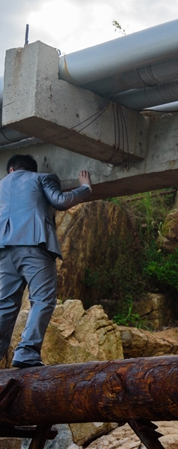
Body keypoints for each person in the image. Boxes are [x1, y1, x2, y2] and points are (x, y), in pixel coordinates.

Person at [0, 155, 92, 368]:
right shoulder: (41, 178)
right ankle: (26, 351)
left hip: (3, 251)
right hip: (33, 245)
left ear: (11, 170)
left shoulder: (2, 185)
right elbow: (60, 201)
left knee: (4, 304)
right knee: (42, 299)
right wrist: (85, 188)